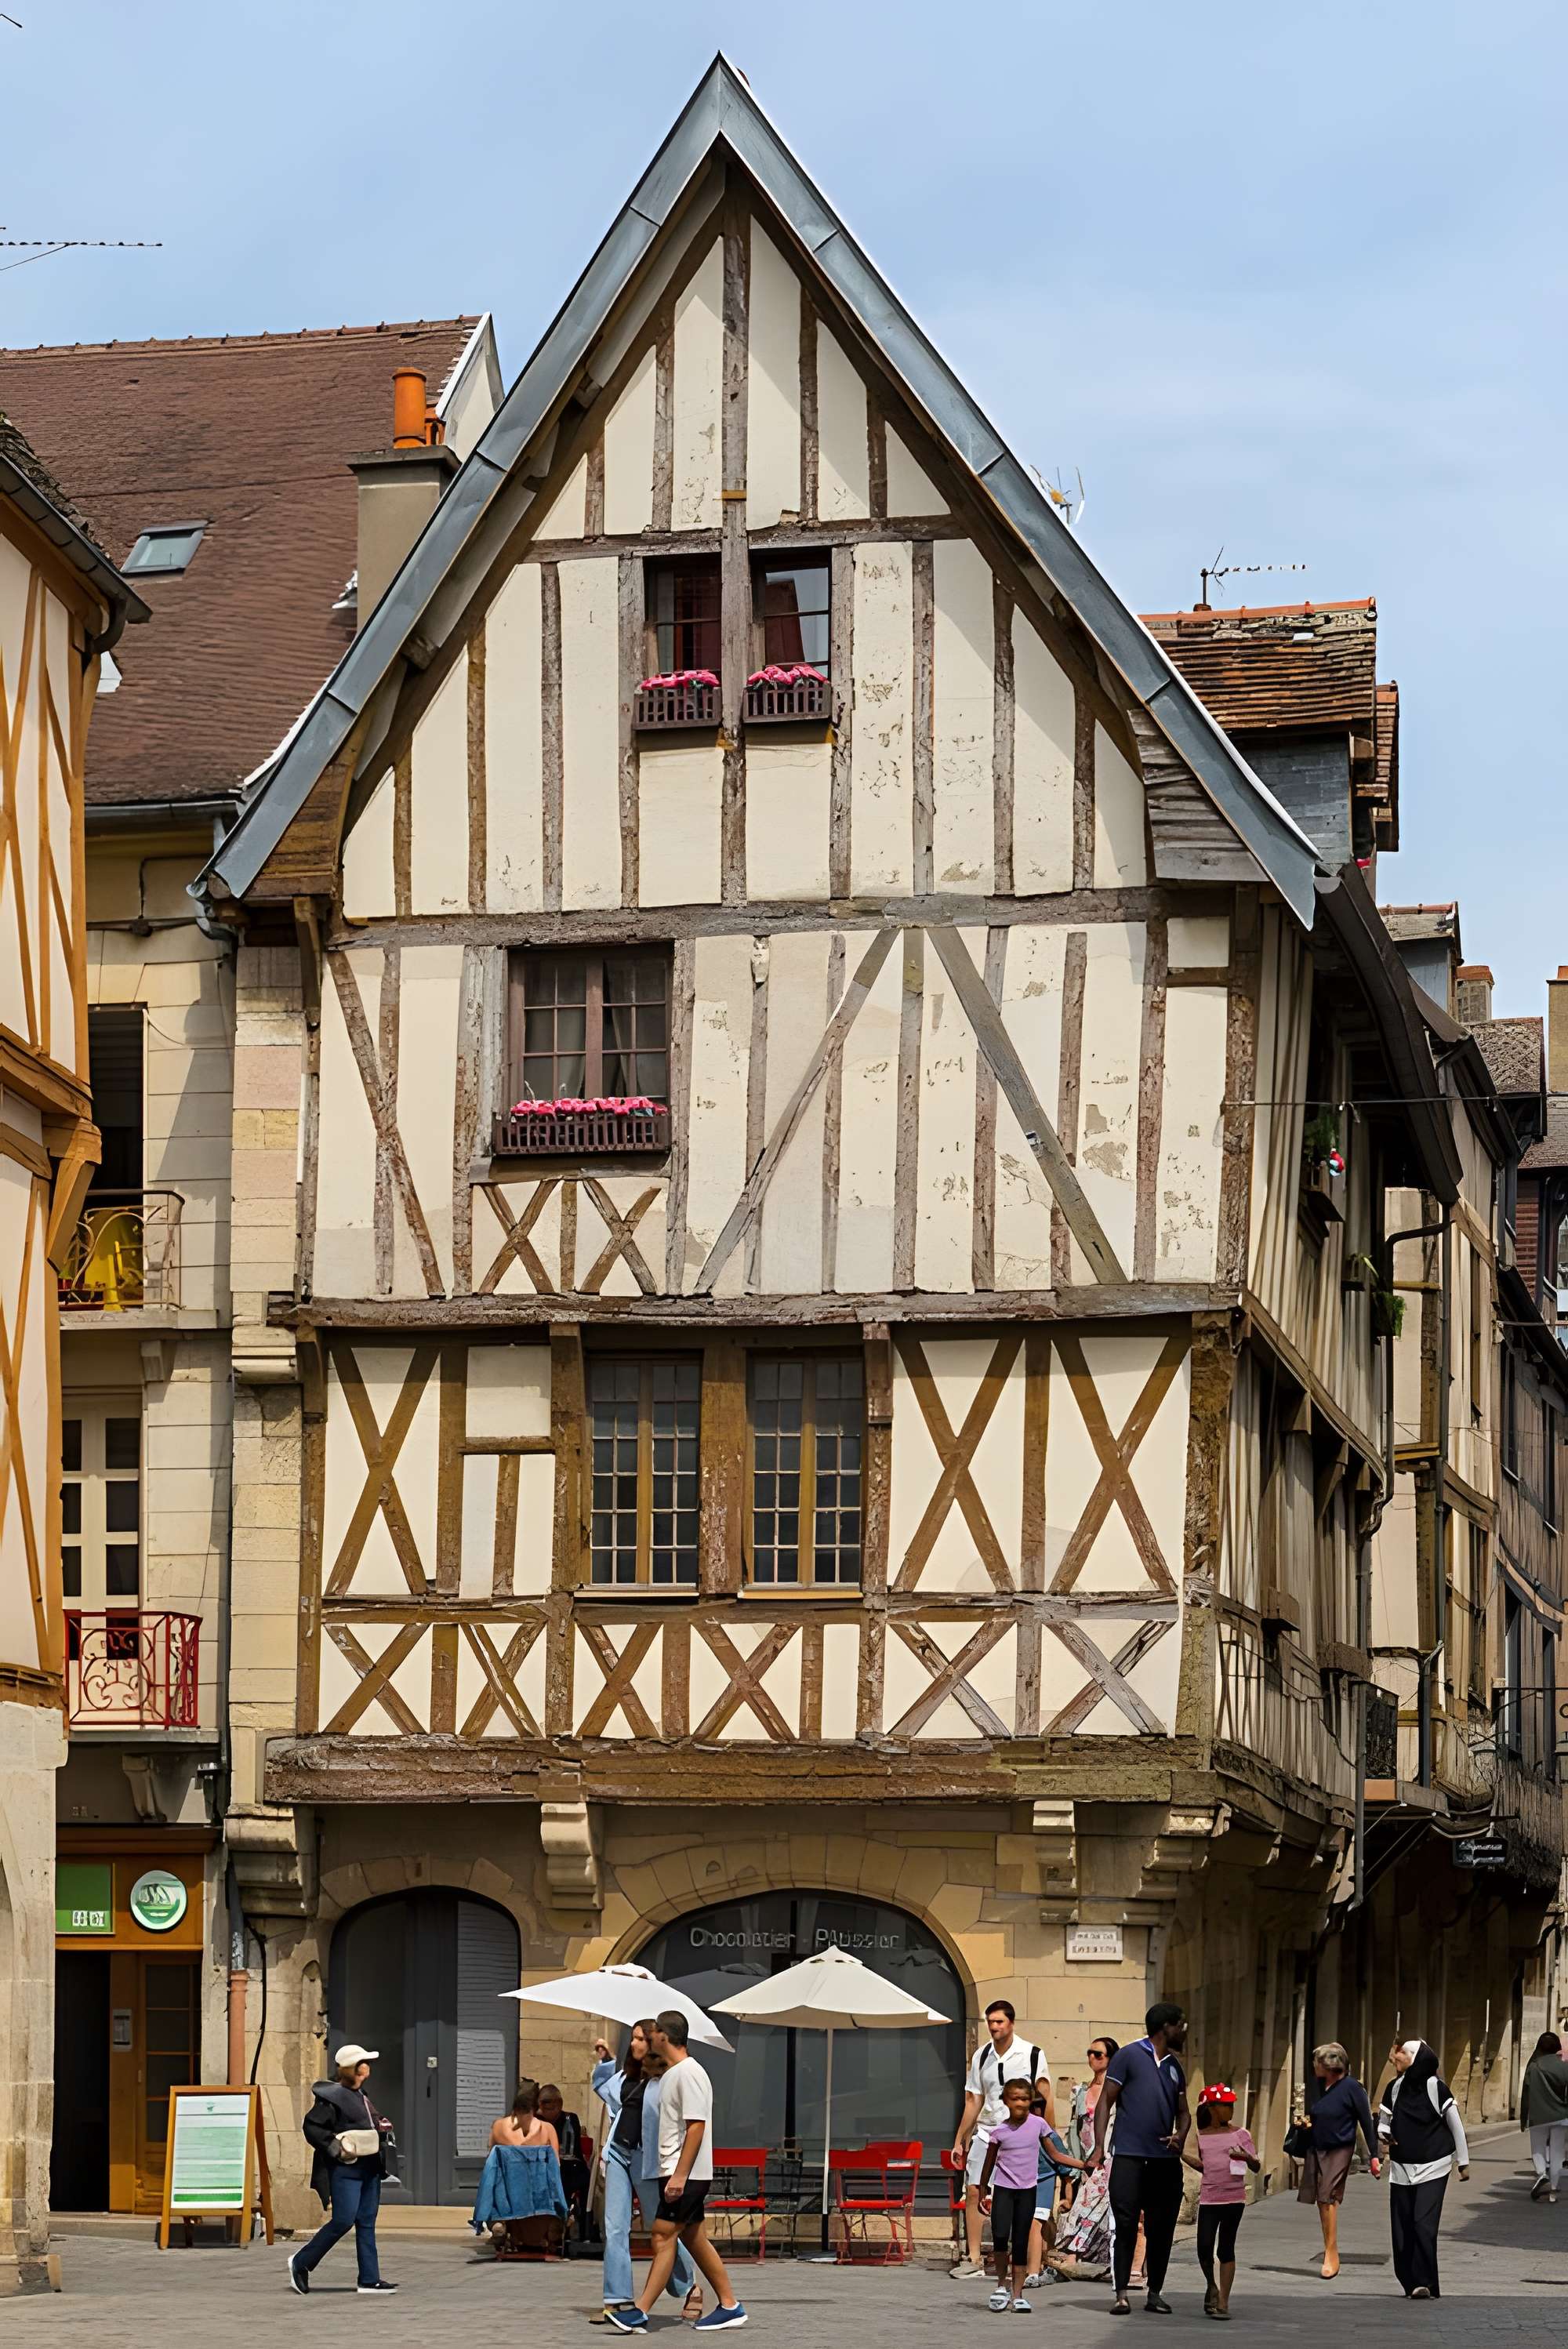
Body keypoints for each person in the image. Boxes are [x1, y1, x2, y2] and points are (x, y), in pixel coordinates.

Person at [605, 2010, 746, 2333]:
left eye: (653, 2033)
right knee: (694, 2239)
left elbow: (696, 2127)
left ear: (664, 2037)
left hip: (686, 2175)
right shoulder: (673, 2073)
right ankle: (730, 2305)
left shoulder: (689, 2073)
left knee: (662, 2235)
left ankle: (640, 2311)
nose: (648, 2038)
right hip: (678, 2173)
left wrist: (679, 2176)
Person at [1089, 1999, 1190, 2317]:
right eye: (1181, 2025)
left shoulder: (1175, 2067)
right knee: (1126, 2224)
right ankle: (1121, 2294)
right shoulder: (1129, 2056)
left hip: (1164, 2160)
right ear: (1166, 2028)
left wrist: (1181, 2134)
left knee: (1162, 2228)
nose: (1184, 2031)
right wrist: (1099, 2146)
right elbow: (1106, 2101)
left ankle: (1155, 2292)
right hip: (1130, 2157)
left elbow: (1184, 2113)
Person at [592, 2025, 700, 2321]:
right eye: (634, 2038)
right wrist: (606, 2061)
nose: (635, 2043)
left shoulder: (668, 2079)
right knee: (615, 2227)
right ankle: (618, 2300)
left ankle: (688, 2285)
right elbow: (603, 2089)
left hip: (649, 2160)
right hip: (618, 2153)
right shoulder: (625, 2077)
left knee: (660, 2228)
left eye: (642, 2039)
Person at [950, 1999, 1054, 2278]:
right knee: (975, 2188)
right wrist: (960, 2138)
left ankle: (1019, 2260)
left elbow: (1045, 2097)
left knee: (1017, 2195)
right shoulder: (982, 2055)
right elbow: (973, 2099)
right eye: (990, 2022)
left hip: (1021, 2133)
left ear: (1011, 2023)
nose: (994, 2027)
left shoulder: (1031, 2054)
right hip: (987, 2130)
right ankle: (973, 2258)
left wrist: (1049, 2137)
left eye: (999, 2022)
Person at [289, 2042, 397, 2297]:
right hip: (346, 2169)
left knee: (366, 2221)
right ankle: (301, 2262)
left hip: (370, 2167)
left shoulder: (362, 2095)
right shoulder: (331, 2098)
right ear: (353, 2068)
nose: (367, 2068)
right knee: (343, 2220)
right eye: (363, 2064)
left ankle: (369, 2279)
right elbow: (312, 2127)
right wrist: (335, 2147)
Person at [1377, 2039, 1469, 2299]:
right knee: (1402, 2228)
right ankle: (1410, 2283)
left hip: (1434, 2166)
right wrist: (1384, 2134)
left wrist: (1463, 2162)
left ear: (1416, 2058)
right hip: (1401, 2169)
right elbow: (1384, 2121)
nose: (1398, 2056)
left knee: (1423, 2224)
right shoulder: (1394, 2088)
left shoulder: (1435, 2087)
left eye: (1404, 2053)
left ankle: (1426, 2282)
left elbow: (1455, 2124)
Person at [1296, 2042, 1379, 2276]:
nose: (1314, 2066)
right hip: (1317, 2147)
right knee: (1322, 2200)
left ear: (1329, 2065)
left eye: (1317, 2062)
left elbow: (1366, 2121)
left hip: (1339, 2148)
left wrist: (1374, 2155)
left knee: (1328, 2196)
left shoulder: (1352, 2087)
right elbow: (1320, 2115)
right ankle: (1329, 2247)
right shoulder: (1320, 2087)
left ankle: (1331, 2253)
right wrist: (1306, 2124)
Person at [1182, 2083, 1259, 2320]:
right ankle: (1211, 2285)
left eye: (1231, 2105)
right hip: (1209, 2199)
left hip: (1234, 2199)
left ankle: (1223, 2301)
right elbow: (1203, 2166)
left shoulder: (1241, 2134)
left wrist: (1246, 2157)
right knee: (1204, 2247)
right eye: (1226, 2105)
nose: (1231, 2110)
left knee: (1226, 2248)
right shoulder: (1200, 2136)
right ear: (1212, 2108)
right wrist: (1180, 2154)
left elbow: (1256, 2166)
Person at [978, 2079, 1054, 2312]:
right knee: (1001, 2237)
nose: (1020, 2103)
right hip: (1004, 2189)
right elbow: (989, 2162)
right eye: (1015, 2099)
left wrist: (1083, 2165)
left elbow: (1055, 2154)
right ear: (1006, 2101)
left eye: (1024, 2099)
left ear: (1030, 2100)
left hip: (1027, 2190)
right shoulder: (999, 2131)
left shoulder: (1039, 2124)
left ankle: (1018, 2294)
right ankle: (1001, 2286)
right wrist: (982, 2190)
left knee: (1021, 2242)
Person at [1024, 2103, 1088, 2288]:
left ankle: (1033, 2272)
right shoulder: (1015, 2131)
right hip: (1022, 2183)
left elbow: (1066, 2173)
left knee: (1037, 2223)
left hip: (1044, 2181)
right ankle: (1039, 2264)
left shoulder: (1049, 2136)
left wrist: (1068, 2199)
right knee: (1032, 2225)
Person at [539, 2082, 592, 2239]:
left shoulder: (570, 2119)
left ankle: (576, 2225)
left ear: (560, 2104)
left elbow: (569, 2149)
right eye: (544, 2108)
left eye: (551, 2108)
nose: (548, 2113)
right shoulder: (537, 2120)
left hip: (569, 2167)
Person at [1520, 2029, 1568, 2202]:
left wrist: (1523, 2118)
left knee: (1538, 2149)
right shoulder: (1564, 2066)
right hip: (1561, 2115)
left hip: (1538, 2116)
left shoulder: (1534, 2066)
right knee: (1557, 2153)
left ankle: (1542, 2176)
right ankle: (1553, 2190)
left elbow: (1526, 2093)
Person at [492, 2076, 559, 2153]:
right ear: (537, 2104)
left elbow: (491, 2156)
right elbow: (555, 2159)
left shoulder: (498, 2126)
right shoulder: (548, 2129)